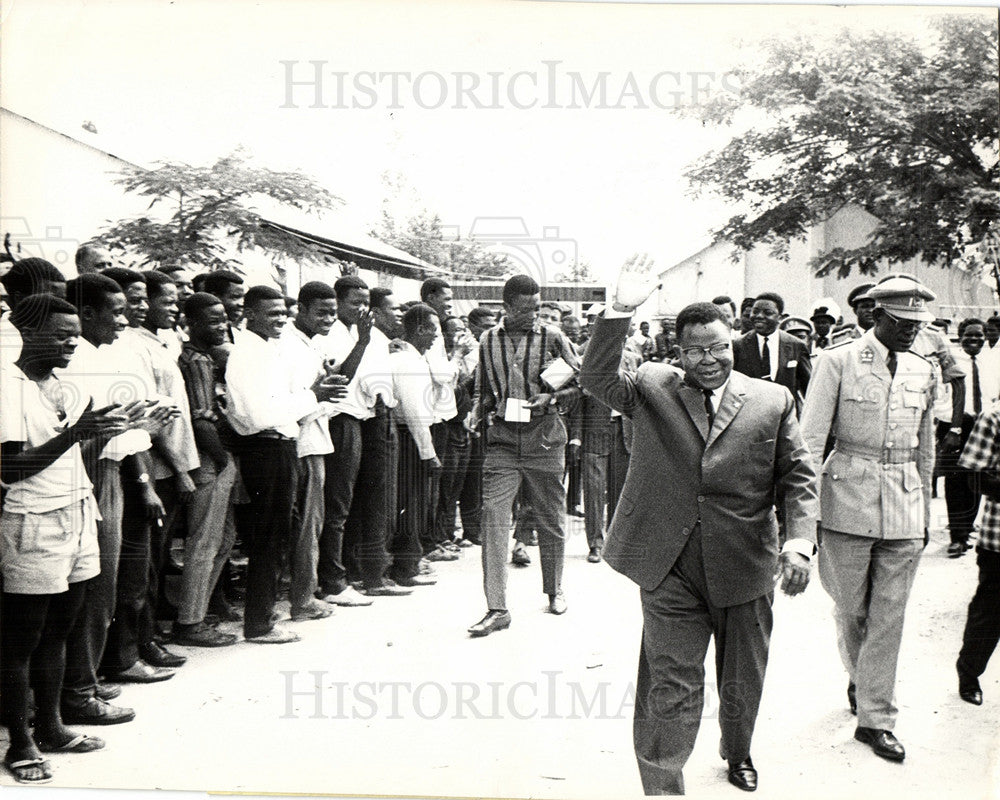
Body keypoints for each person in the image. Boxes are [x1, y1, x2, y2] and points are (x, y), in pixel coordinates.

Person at [580, 256, 816, 795]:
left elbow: (798, 476)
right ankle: (663, 786)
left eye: (718, 348)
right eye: (695, 351)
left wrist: (799, 545)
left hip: (745, 560)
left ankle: (738, 752)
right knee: (671, 680)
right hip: (669, 563)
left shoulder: (772, 399)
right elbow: (595, 378)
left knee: (742, 676)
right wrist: (619, 311)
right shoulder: (652, 386)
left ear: (732, 342)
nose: (708, 360)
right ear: (677, 351)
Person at [800, 275, 937, 764]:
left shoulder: (924, 368)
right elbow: (811, 443)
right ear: (876, 314)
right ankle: (861, 678)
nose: (910, 332)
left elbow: (926, 448)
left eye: (917, 325)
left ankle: (876, 718)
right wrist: (803, 517)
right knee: (851, 607)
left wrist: (924, 516)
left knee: (889, 616)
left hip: (903, 502)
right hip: (846, 502)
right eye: (901, 323)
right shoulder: (836, 362)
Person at [0, 294, 130, 783]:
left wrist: (108, 428)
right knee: (22, 638)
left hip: (76, 512)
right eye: (61, 334)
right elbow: (10, 468)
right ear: (27, 332)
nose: (72, 341)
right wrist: (77, 433)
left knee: (59, 631)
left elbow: (69, 449)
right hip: (33, 520)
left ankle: (52, 727)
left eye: (75, 332)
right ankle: (22, 742)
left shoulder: (58, 384)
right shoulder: (8, 387)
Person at [224, 285, 345, 643]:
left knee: (277, 536)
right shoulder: (248, 354)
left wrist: (314, 396)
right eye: (270, 313)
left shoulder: (270, 350)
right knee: (267, 539)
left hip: (282, 445)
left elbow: (287, 402)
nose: (279, 319)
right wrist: (312, 396)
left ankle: (264, 617)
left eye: (282, 313)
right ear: (248, 313)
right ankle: (259, 624)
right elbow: (258, 415)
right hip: (264, 447)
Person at [467, 274, 581, 637]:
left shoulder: (553, 336)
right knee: (494, 519)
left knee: (550, 520)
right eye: (526, 308)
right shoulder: (488, 340)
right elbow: (482, 388)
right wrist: (476, 410)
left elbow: (580, 382)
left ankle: (554, 588)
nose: (534, 314)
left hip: (545, 439)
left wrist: (553, 397)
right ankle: (497, 608)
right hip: (502, 441)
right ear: (507, 307)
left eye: (537, 307)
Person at [174, 292, 243, 646]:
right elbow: (202, 420)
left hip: (210, 459)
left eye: (224, 319)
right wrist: (225, 459)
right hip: (208, 460)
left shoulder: (196, 357)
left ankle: (197, 612)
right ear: (192, 324)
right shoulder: (198, 361)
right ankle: (189, 622)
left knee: (223, 538)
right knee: (205, 541)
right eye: (214, 321)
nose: (222, 326)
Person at [389, 303, 444, 587]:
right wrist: (429, 453)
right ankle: (406, 567)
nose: (437, 336)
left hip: (411, 434)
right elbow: (415, 412)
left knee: (411, 503)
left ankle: (409, 561)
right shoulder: (407, 362)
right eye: (433, 329)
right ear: (421, 329)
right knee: (412, 504)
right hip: (411, 437)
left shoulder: (413, 359)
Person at [941, 318, 999, 556]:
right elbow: (939, 395)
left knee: (977, 481)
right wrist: (949, 426)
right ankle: (958, 537)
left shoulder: (993, 361)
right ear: (960, 335)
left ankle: (966, 528)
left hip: (983, 426)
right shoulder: (950, 361)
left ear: (985, 338)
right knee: (955, 480)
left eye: (978, 336)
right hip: (955, 425)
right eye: (968, 335)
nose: (973, 340)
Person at [955, 406, 1000, 705]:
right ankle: (969, 674)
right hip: (999, 538)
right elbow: (972, 475)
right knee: (990, 611)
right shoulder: (995, 417)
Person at [732, 292, 812, 413]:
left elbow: (810, 390)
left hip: (785, 419)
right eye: (755, 311)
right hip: (749, 418)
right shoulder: (737, 346)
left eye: (767, 313)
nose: (759, 316)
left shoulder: (796, 346)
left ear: (780, 317)